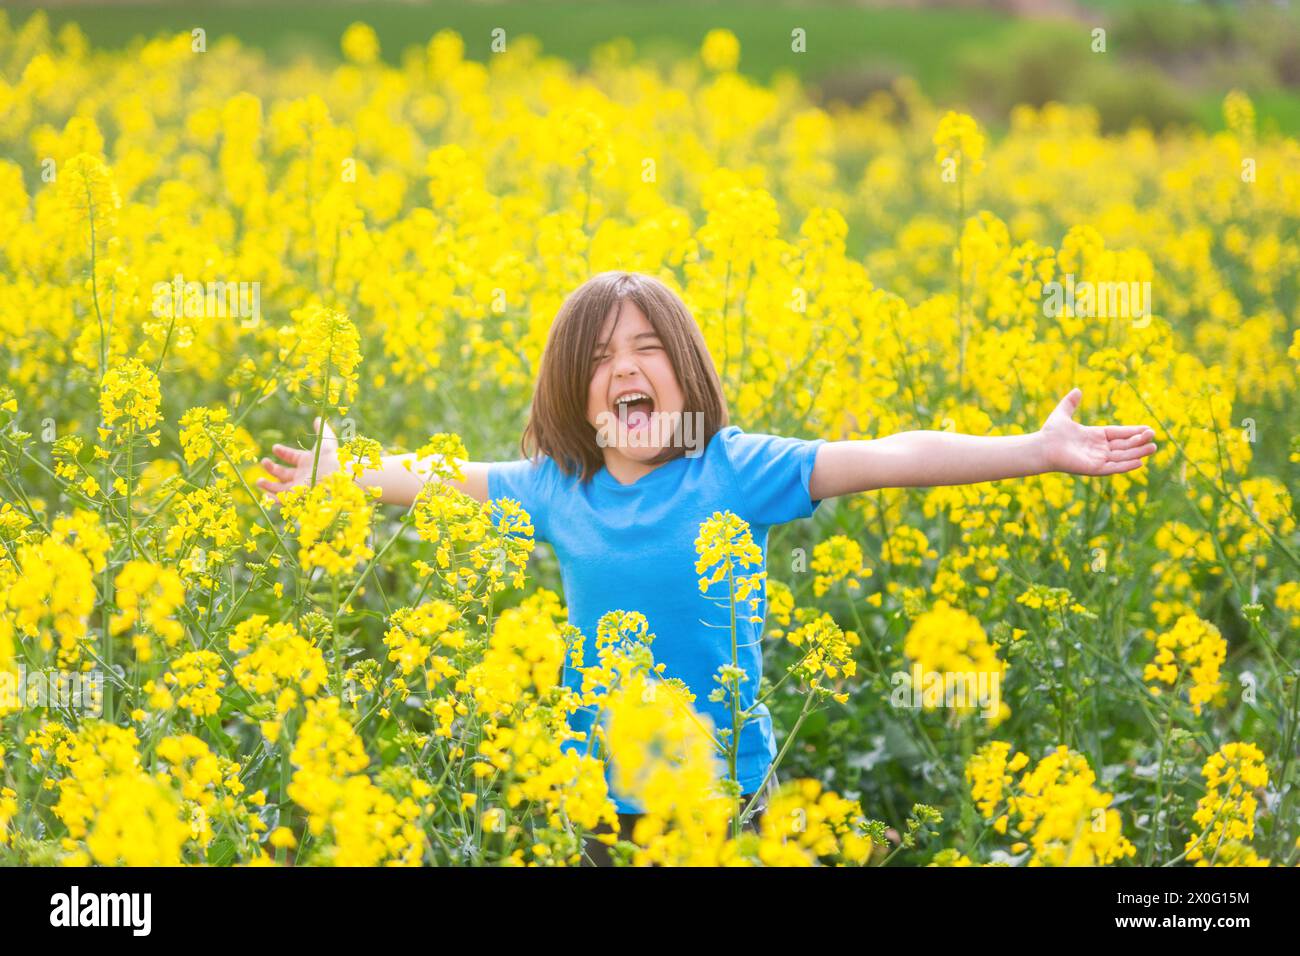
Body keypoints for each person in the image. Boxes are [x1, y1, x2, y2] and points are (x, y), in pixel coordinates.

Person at [258, 270, 1157, 864]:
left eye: (648, 347)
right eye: (601, 357)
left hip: (732, 791)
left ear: (686, 372)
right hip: (600, 801)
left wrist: (1037, 451)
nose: (626, 367)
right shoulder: (556, 487)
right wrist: (343, 477)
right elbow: (443, 478)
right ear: (572, 391)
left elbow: (888, 455)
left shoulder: (734, 468)